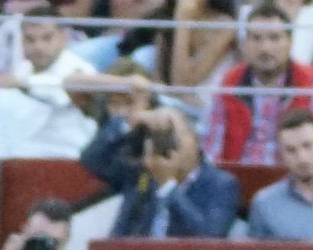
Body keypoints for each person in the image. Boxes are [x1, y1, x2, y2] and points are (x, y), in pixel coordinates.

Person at [82, 102, 241, 235]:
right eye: (158, 136)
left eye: (172, 135)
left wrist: (168, 186)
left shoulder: (221, 184)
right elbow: (93, 159)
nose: (167, 144)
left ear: (195, 139)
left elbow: (209, 238)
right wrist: (129, 123)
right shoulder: (142, 173)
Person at [0, 4, 100, 157]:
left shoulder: (80, 70)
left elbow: (57, 94)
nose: (38, 46)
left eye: (47, 38)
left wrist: (24, 84)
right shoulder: (17, 74)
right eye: (30, 40)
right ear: (21, 42)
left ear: (64, 38)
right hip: (16, 162)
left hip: (67, 161)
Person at [205, 4, 313, 164]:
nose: (265, 48)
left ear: (290, 42)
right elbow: (212, 151)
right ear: (244, 44)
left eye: (274, 38)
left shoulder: (309, 83)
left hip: (295, 181)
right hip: (238, 180)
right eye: (256, 38)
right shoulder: (227, 84)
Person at [247, 104, 313, 234]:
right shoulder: (265, 204)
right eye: (291, 150)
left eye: (308, 146)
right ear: (281, 155)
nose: (302, 158)